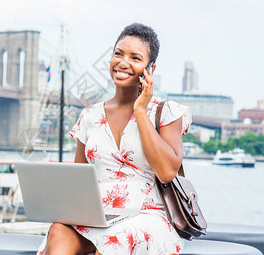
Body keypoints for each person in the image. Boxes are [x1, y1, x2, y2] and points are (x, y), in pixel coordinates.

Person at [38, 23, 191, 255]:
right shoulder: (89, 115)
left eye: (135, 58)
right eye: (118, 53)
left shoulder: (166, 112)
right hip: (97, 215)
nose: (123, 62)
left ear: (150, 68)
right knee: (58, 230)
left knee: (116, 240)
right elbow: (79, 178)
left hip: (147, 215)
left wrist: (141, 111)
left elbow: (167, 171)